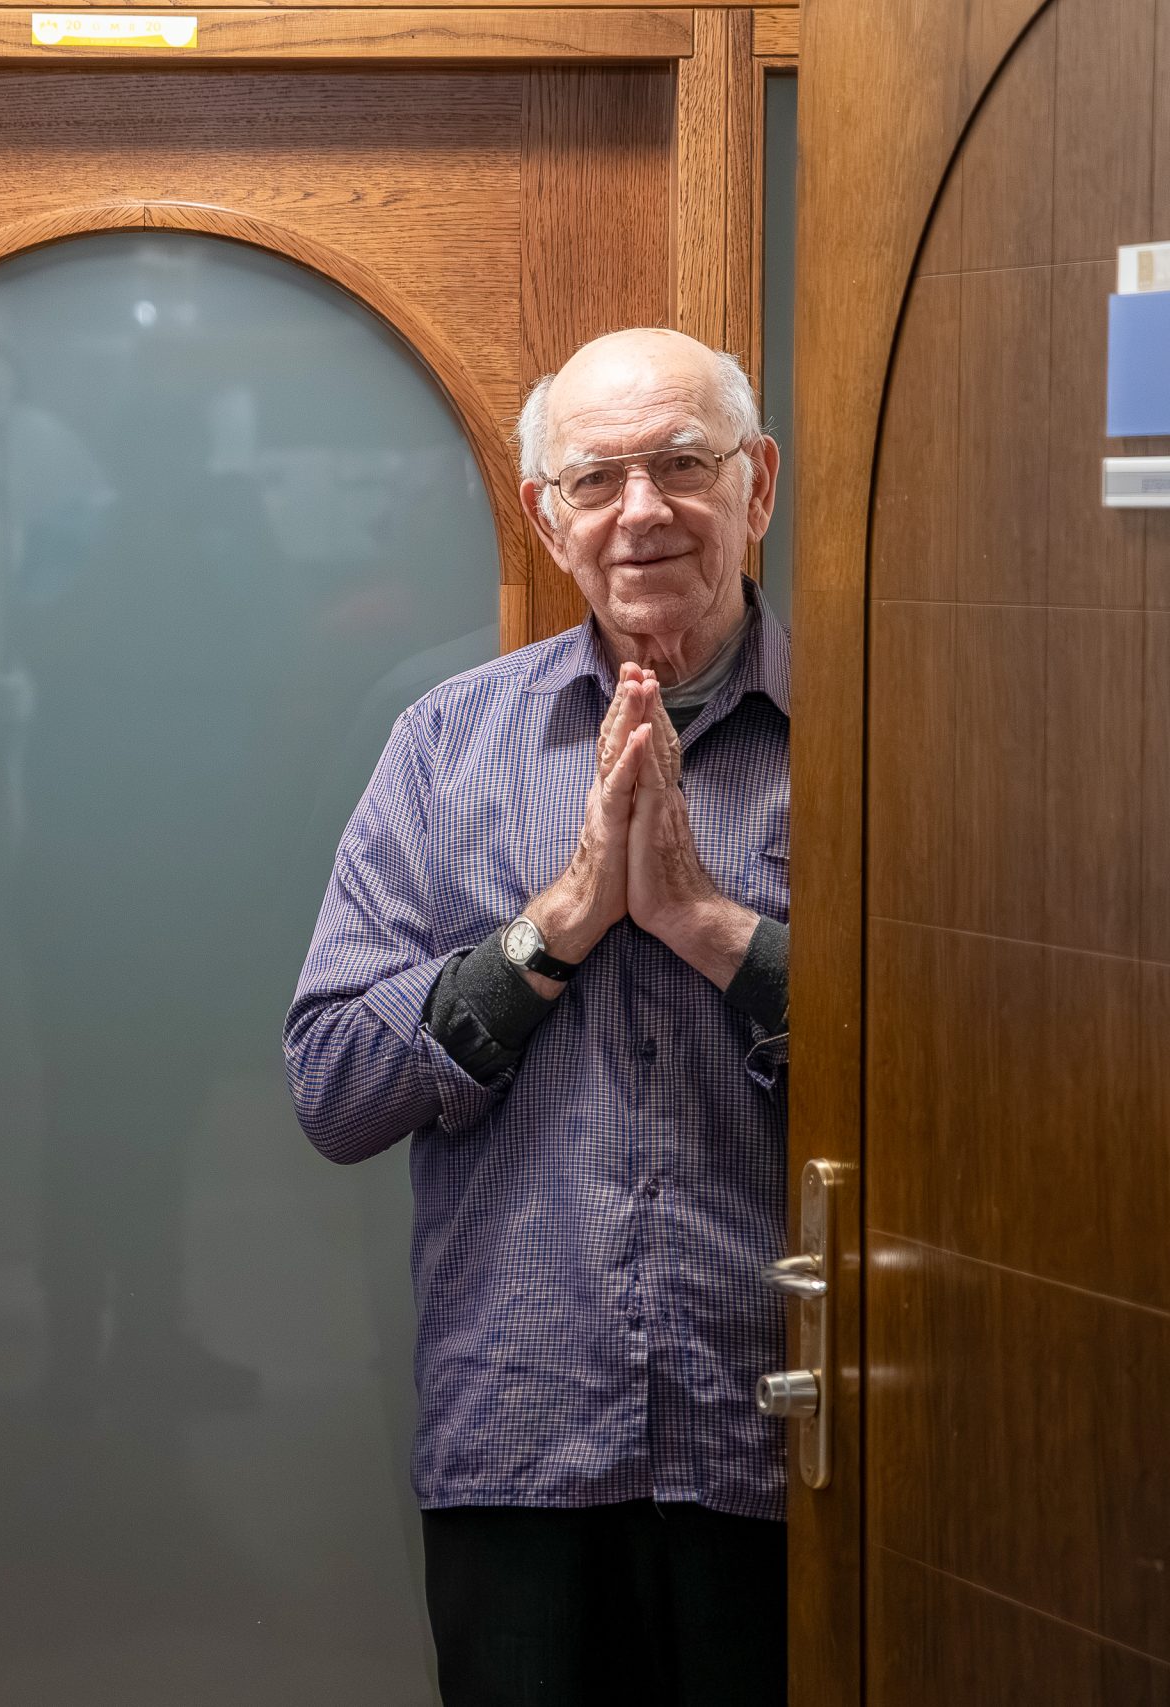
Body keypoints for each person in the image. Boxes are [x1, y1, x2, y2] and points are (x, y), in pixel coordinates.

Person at [285, 327, 791, 1705]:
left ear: (757, 485)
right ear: (544, 514)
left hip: (792, 1440)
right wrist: (555, 927)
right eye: (598, 479)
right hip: (521, 1442)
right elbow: (331, 1088)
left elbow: (964, 1084)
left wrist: (710, 930)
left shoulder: (876, 739)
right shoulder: (445, 747)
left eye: (682, 464)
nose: (642, 511)